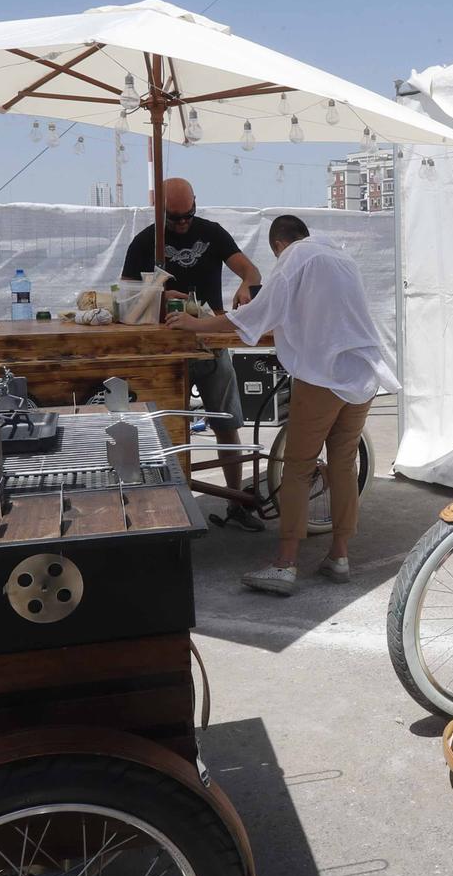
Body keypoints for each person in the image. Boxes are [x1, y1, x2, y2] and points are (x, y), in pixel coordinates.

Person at [166, 215, 397, 595]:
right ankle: (339, 556)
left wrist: (195, 326)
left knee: (298, 466)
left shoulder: (295, 257)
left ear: (278, 245)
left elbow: (256, 314)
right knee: (342, 464)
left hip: (325, 373)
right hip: (364, 372)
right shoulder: (341, 256)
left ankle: (285, 564)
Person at [121, 178, 265, 528]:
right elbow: (127, 301)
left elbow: (250, 269)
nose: (183, 223)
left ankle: (236, 504)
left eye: (189, 215)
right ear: (160, 211)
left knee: (227, 425)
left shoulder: (212, 233)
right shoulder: (144, 242)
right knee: (169, 429)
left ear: (196, 205)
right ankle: (169, 511)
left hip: (210, 343)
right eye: (175, 218)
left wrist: (247, 284)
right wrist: (158, 297)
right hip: (168, 350)